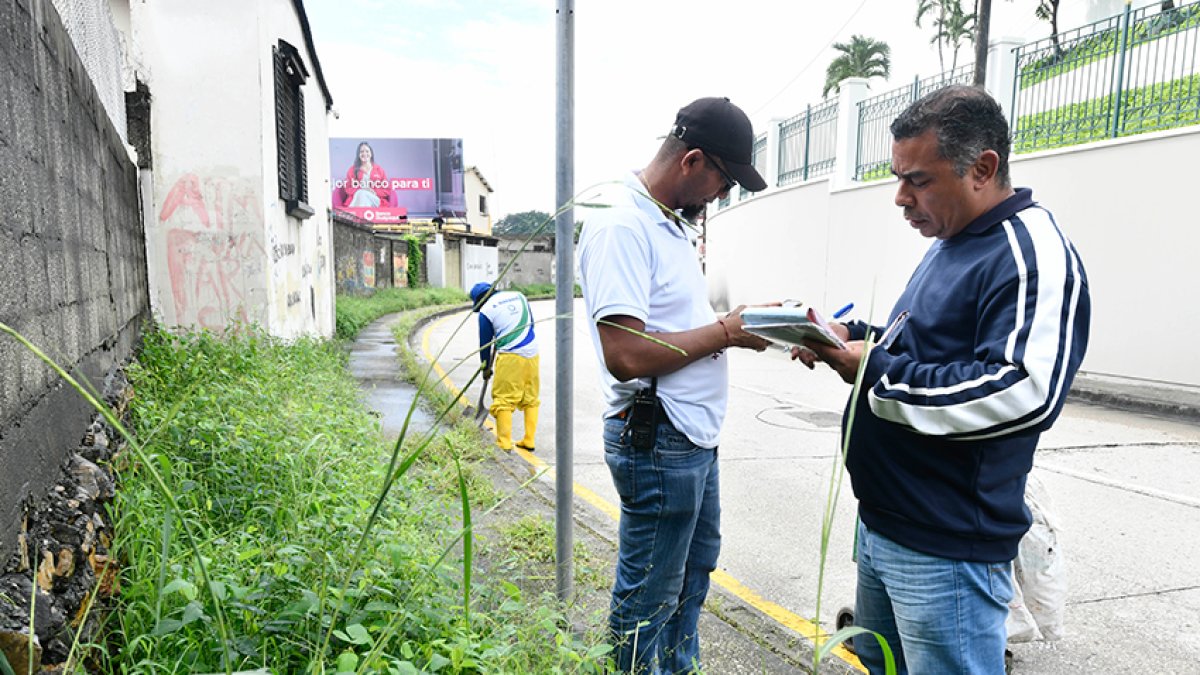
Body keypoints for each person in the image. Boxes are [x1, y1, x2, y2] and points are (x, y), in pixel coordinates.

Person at [794, 85, 1091, 674]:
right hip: (886, 522)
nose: (901, 198)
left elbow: (1020, 391)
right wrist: (848, 334)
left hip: (945, 546)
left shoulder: (1030, 254)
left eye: (919, 180)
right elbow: (925, 343)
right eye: (898, 177)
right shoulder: (952, 239)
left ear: (982, 169)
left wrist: (872, 369)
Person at [576, 96, 773, 674]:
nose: (723, 194)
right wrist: (725, 333)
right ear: (692, 161)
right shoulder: (621, 223)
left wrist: (744, 326)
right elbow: (626, 354)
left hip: (688, 437)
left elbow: (674, 324)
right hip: (657, 438)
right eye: (724, 180)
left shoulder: (667, 223)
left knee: (692, 573)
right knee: (649, 596)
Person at [469, 282, 538, 452]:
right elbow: (531, 323)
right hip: (533, 353)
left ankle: (504, 443)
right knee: (530, 398)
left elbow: (485, 344)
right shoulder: (519, 295)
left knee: (504, 400)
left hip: (511, 356)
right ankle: (529, 439)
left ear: (480, 300)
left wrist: (485, 368)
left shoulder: (486, 311)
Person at [342, 141, 391, 208]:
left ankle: (354, 216)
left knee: (362, 194)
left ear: (371, 154)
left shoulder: (379, 170)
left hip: (375, 199)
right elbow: (348, 188)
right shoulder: (352, 170)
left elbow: (387, 190)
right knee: (361, 193)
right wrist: (362, 189)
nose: (364, 153)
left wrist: (374, 191)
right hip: (357, 199)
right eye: (362, 151)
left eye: (367, 151)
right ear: (358, 155)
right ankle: (364, 216)